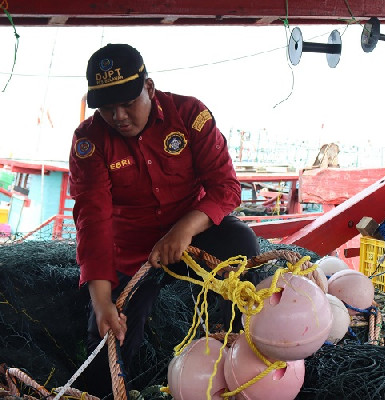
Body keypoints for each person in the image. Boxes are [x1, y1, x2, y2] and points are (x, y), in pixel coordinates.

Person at [68, 43, 260, 397]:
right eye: (108, 108)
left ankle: (229, 338)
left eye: (128, 102)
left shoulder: (190, 115)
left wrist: (184, 230)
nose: (119, 116)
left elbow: (226, 187)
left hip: (192, 232)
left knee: (242, 246)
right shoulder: (89, 142)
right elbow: (92, 222)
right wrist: (101, 303)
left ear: (150, 88)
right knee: (110, 334)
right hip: (131, 253)